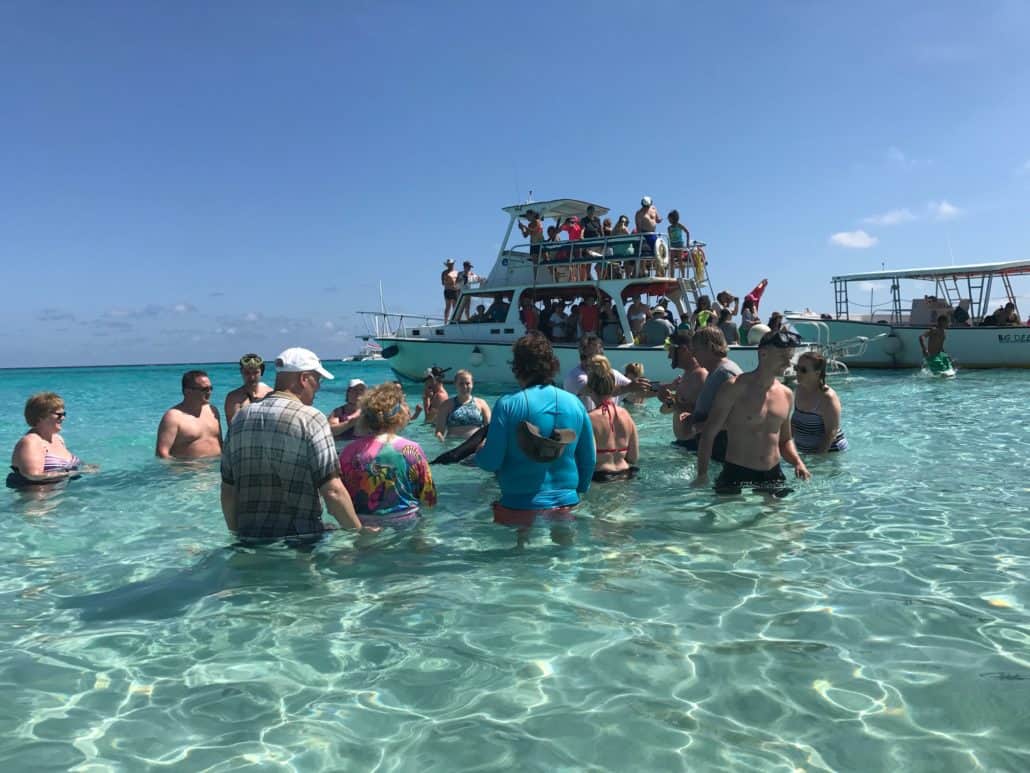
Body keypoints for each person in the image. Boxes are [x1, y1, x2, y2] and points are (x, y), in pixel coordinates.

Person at [220, 347, 366, 539]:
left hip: (250, 537)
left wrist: (238, 535)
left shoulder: (240, 418)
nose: (319, 387)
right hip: (299, 539)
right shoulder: (311, 418)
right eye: (317, 380)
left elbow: (228, 491)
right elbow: (332, 492)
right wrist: (359, 536)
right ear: (304, 378)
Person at [476, 333, 595, 537]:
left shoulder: (507, 405)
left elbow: (491, 462)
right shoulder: (575, 404)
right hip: (567, 505)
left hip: (518, 507)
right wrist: (576, 492)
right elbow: (589, 459)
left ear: (517, 367)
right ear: (552, 364)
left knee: (518, 564)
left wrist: (479, 453)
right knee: (567, 563)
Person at [693, 330, 811, 495]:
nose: (788, 362)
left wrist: (798, 462)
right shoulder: (734, 388)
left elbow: (785, 440)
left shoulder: (787, 394)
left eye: (790, 356)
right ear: (763, 353)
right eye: (783, 356)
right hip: (736, 472)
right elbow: (708, 434)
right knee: (724, 519)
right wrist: (702, 475)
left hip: (772, 474)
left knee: (780, 520)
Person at [338, 382, 437, 528]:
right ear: (398, 415)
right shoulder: (412, 449)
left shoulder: (348, 451)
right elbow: (429, 496)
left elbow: (341, 495)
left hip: (364, 525)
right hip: (406, 523)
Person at [8, 392, 98, 488]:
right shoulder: (31, 442)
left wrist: (86, 466)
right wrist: (74, 473)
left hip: (60, 494)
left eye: (64, 414)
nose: (63, 418)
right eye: (59, 415)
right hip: (39, 499)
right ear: (41, 416)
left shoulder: (58, 439)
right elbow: (33, 476)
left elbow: (67, 465)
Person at [678, 327, 743, 460]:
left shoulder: (725, 374)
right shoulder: (715, 371)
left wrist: (699, 427)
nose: (693, 355)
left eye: (695, 350)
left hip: (724, 453)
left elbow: (742, 418)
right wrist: (693, 416)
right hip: (714, 450)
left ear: (709, 346)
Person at [584, 356, 639, 482]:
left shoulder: (589, 419)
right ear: (613, 387)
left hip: (600, 477)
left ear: (590, 389)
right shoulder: (626, 415)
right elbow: (633, 457)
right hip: (627, 475)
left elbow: (588, 459)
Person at [563, 333, 650, 410]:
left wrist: (657, 390)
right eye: (588, 356)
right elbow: (599, 392)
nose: (594, 359)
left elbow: (635, 393)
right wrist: (629, 387)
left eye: (599, 355)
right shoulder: (575, 377)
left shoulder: (613, 374)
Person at [155, 370, 223, 460]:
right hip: (190, 471)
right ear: (187, 391)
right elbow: (162, 453)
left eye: (211, 388)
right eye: (204, 389)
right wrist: (182, 470)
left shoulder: (213, 410)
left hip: (216, 469)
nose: (209, 392)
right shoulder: (173, 417)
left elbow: (220, 443)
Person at [656, 331, 708, 443]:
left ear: (683, 350)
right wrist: (668, 400)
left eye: (671, 351)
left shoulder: (700, 376)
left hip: (694, 447)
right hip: (682, 445)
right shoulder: (686, 375)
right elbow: (666, 411)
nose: (669, 356)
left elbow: (707, 415)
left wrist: (676, 404)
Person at [791, 352, 848, 453]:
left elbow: (831, 432)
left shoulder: (827, 397)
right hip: (805, 452)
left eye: (803, 370)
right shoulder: (799, 389)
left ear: (817, 373)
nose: (798, 372)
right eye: (796, 368)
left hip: (829, 452)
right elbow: (794, 423)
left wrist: (818, 459)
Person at [435, 369, 492, 441]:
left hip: (476, 446)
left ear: (472, 384)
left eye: (468, 383)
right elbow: (439, 431)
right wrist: (441, 441)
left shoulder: (482, 404)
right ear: (455, 384)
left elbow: (490, 429)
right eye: (461, 384)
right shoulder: (446, 405)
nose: (465, 387)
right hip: (453, 446)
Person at [224, 353, 273, 425]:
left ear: (261, 372)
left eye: (256, 372)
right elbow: (232, 430)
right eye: (247, 373)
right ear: (241, 372)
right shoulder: (233, 398)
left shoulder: (270, 393)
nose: (252, 377)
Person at [667, 209, 690, 275]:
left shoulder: (679, 225)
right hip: (672, 244)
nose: (669, 220)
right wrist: (669, 245)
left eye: (670, 219)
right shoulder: (669, 228)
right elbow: (669, 238)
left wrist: (687, 243)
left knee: (680, 259)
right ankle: (672, 275)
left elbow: (687, 232)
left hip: (679, 244)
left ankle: (683, 274)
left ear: (674, 218)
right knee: (671, 260)